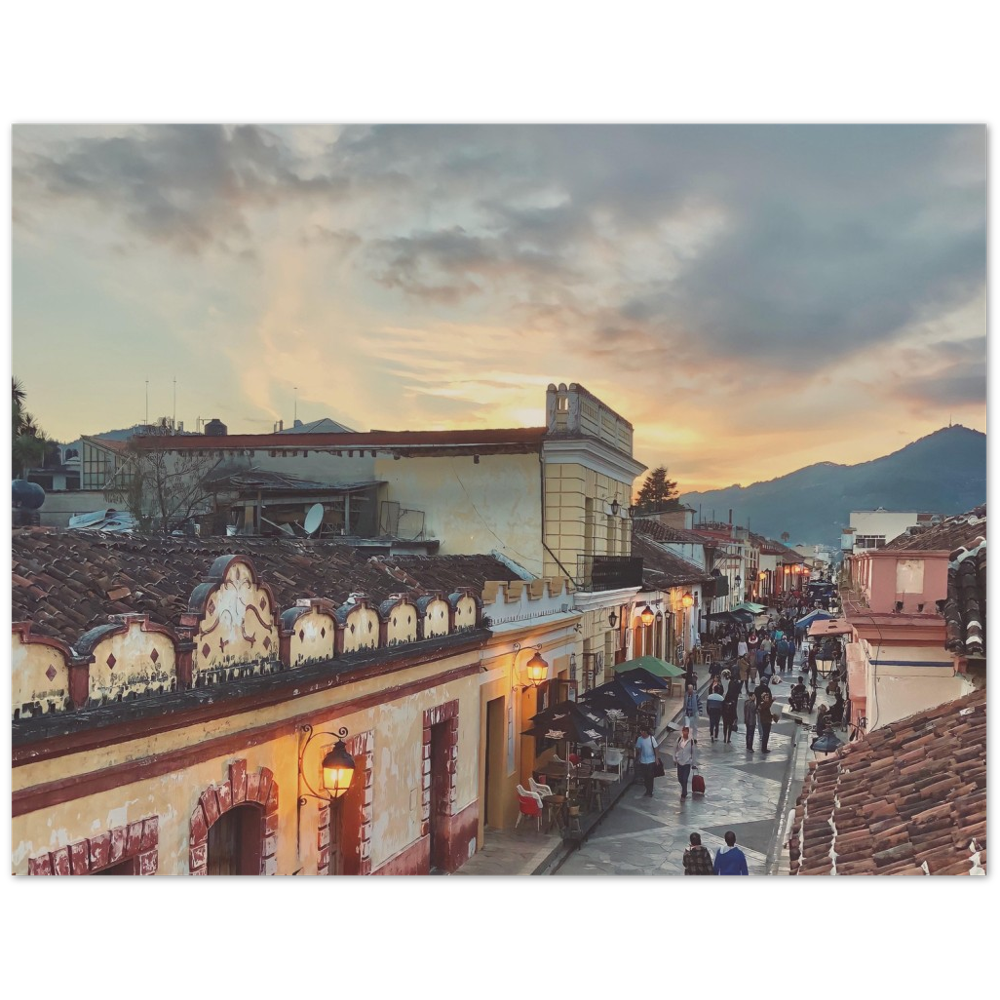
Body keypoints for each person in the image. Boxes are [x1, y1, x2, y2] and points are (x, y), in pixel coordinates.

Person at [634, 726, 659, 797]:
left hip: (651, 760)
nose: (641, 733)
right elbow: (638, 748)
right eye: (640, 731)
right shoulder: (639, 739)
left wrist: (656, 758)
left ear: (645, 732)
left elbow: (656, 748)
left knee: (650, 776)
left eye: (642, 731)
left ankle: (649, 791)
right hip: (643, 761)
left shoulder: (651, 738)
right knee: (645, 776)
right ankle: (647, 789)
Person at [673, 725, 696, 799]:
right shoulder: (679, 739)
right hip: (679, 761)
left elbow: (693, 752)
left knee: (685, 778)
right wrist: (674, 758)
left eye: (687, 731)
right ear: (682, 731)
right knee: (680, 778)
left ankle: (684, 792)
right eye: (684, 731)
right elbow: (674, 749)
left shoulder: (691, 741)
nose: (685, 732)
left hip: (687, 762)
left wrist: (693, 763)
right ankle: (684, 788)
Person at [756, 680, 775, 753]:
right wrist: (772, 701)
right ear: (763, 698)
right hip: (765, 721)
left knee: (766, 735)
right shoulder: (762, 704)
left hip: (767, 720)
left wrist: (772, 716)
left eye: (768, 698)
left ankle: (764, 748)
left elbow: (767, 710)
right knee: (765, 735)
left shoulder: (764, 704)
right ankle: (764, 749)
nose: (767, 699)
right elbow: (767, 706)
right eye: (766, 698)